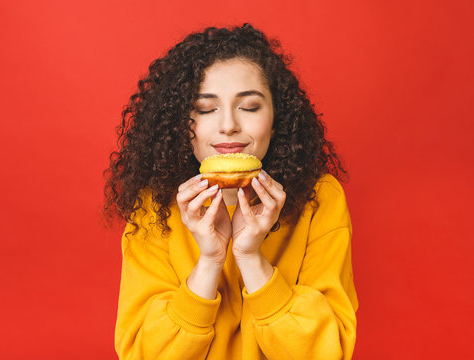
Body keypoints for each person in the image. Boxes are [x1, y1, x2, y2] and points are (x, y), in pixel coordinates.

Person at [103, 23, 359, 360]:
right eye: (205, 109)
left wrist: (250, 257)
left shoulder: (320, 198)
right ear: (182, 122)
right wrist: (209, 261)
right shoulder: (155, 207)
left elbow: (326, 353)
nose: (228, 125)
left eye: (249, 107)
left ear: (276, 118)